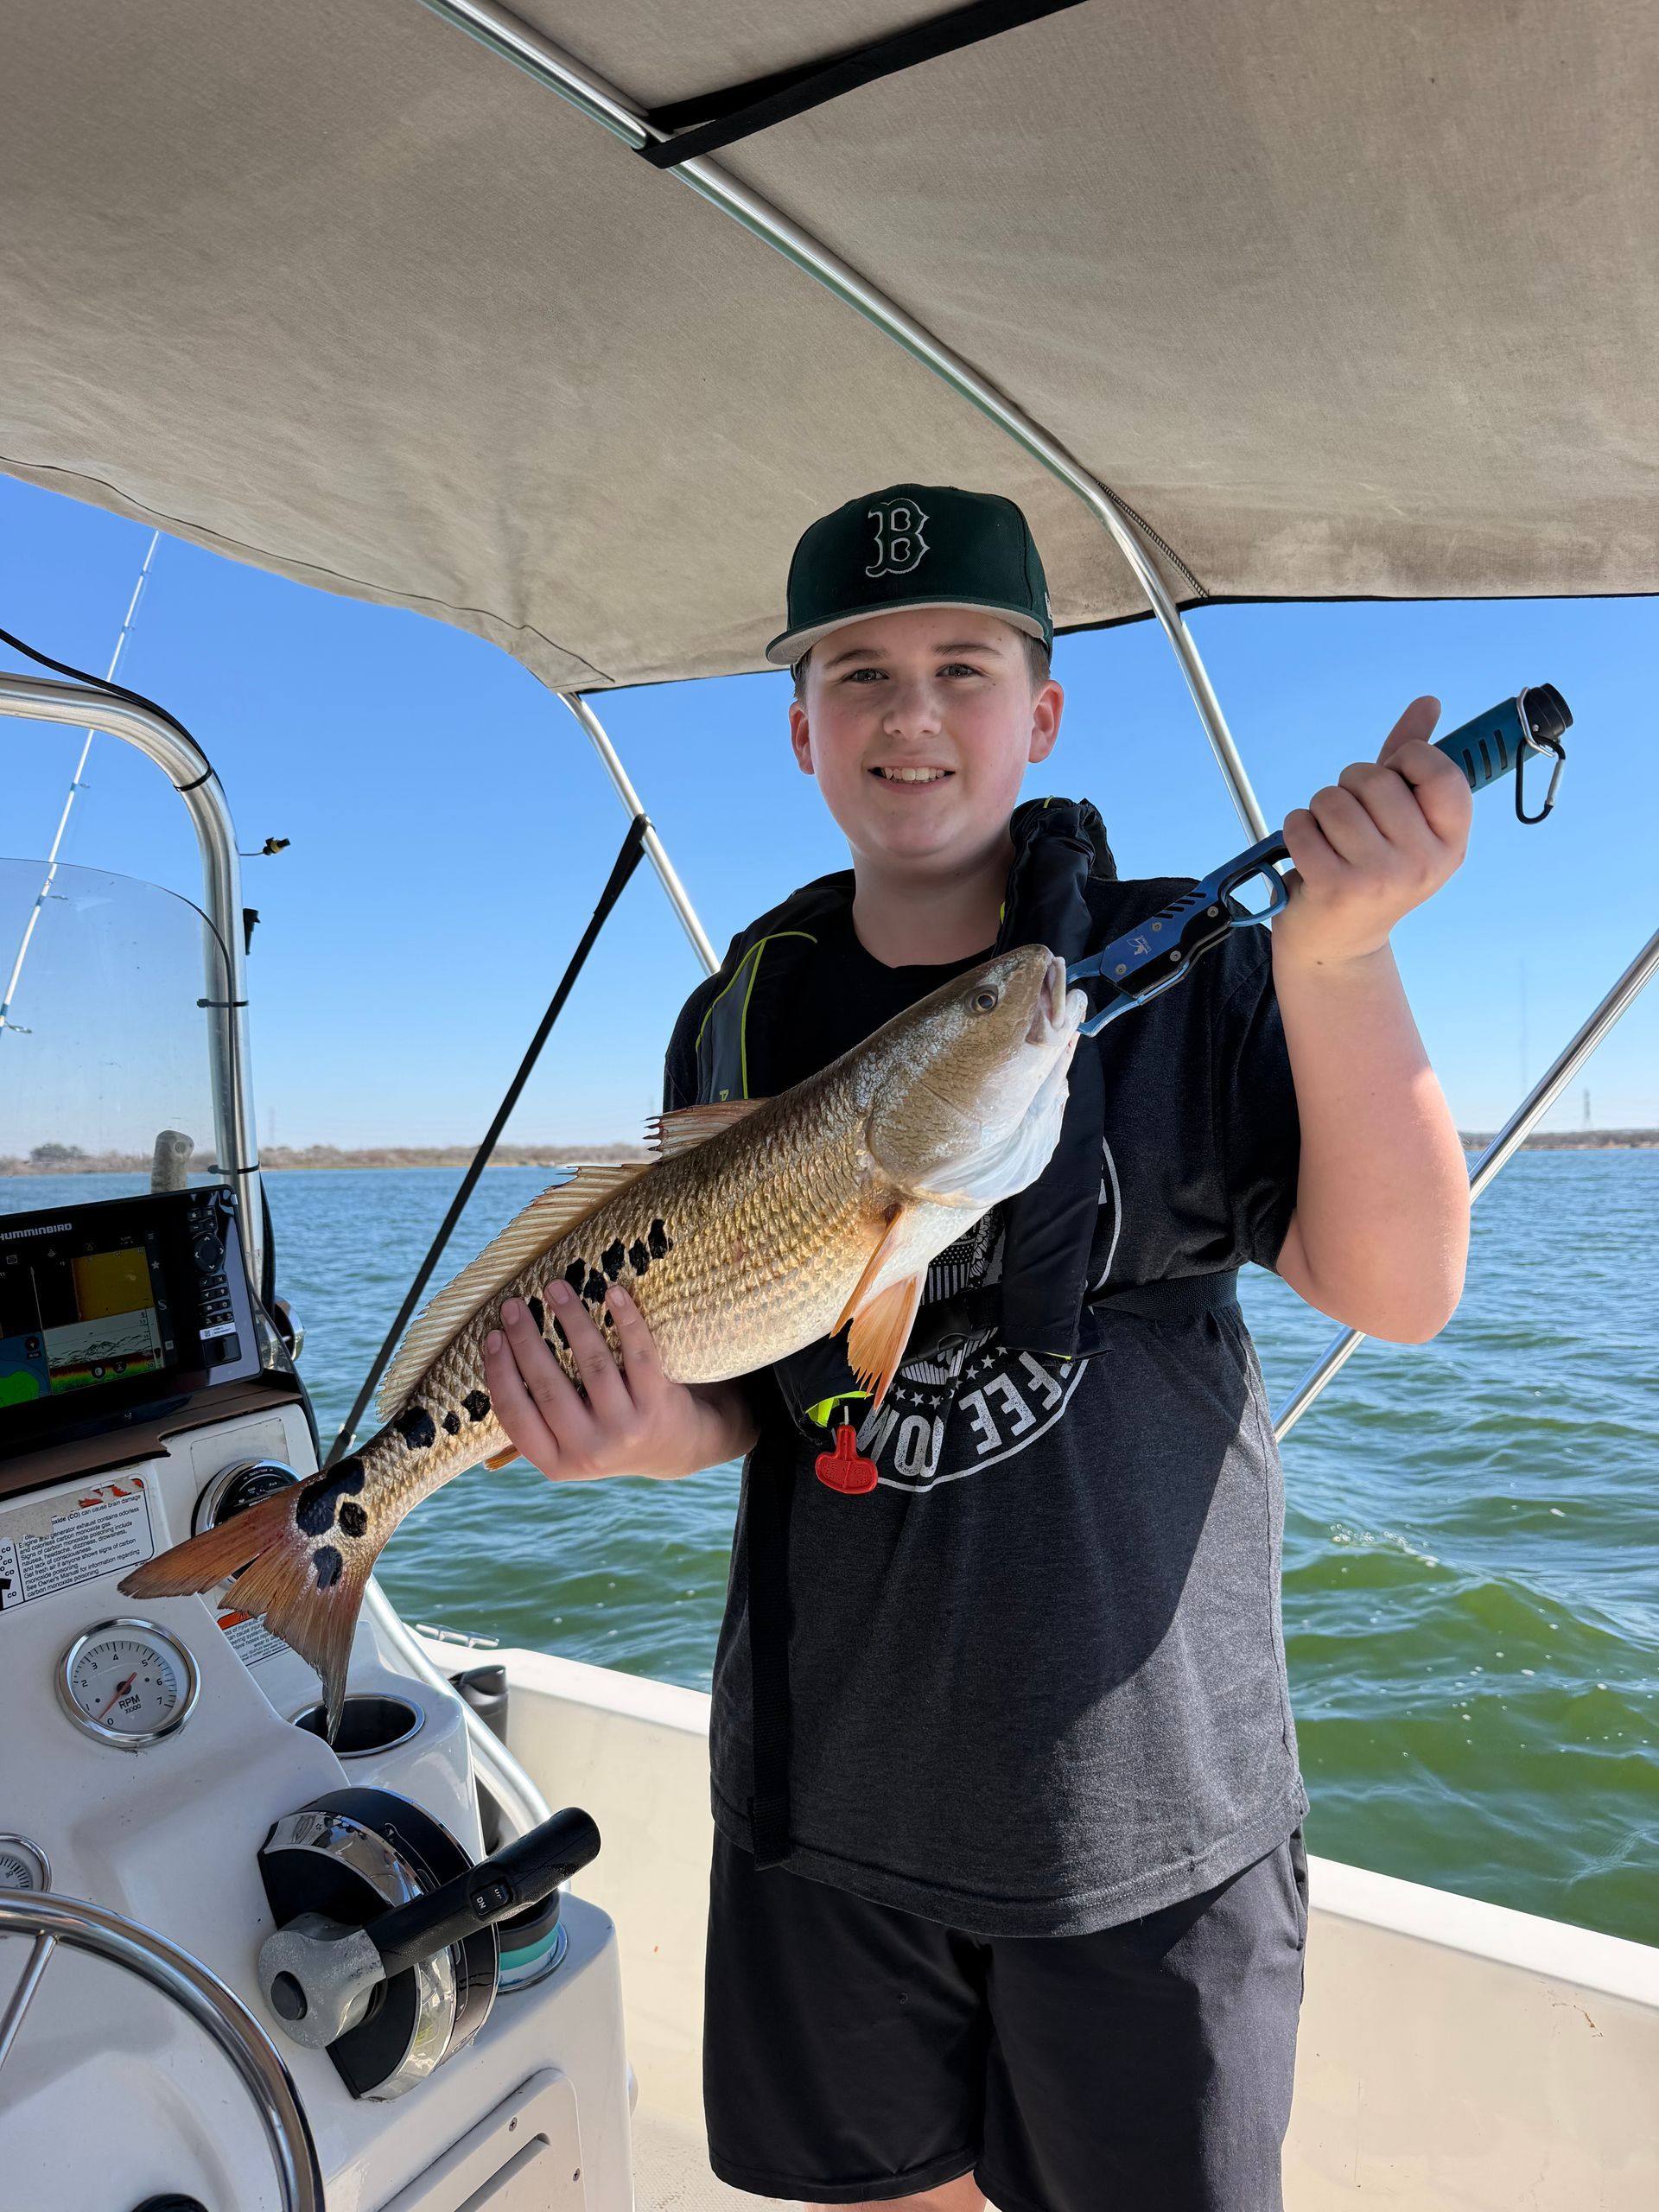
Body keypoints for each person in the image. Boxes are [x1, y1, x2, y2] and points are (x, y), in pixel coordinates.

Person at [483, 484, 1472, 2212]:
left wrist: (1342, 951)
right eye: (859, 673)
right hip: (825, 1798)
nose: (913, 713)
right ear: (803, 729)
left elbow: (1396, 1286)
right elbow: (746, 1395)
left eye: (963, 666)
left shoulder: (1195, 966)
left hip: (1146, 1815)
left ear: (1044, 713)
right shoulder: (737, 1014)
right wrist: (645, 1433)